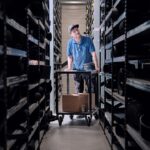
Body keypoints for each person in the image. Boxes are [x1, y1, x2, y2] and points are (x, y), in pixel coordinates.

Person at [66, 24, 99, 93]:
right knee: (78, 90)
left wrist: (96, 66)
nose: (77, 32)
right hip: (77, 69)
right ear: (71, 34)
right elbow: (70, 56)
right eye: (74, 31)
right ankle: (80, 103)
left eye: (77, 30)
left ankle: (93, 103)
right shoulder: (70, 42)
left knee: (92, 90)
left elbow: (93, 53)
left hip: (88, 68)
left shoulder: (88, 40)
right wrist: (69, 67)